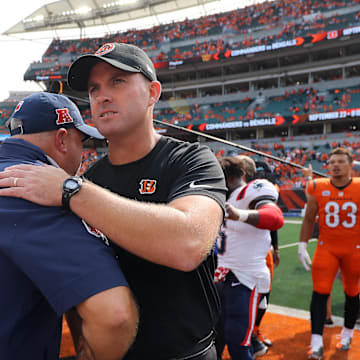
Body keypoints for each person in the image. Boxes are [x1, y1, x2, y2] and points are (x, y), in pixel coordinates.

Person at [0, 43, 227, 360]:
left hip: (184, 354)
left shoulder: (192, 159)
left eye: (117, 81)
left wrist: (72, 191)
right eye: (94, 88)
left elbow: (188, 243)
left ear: (152, 92)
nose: (101, 96)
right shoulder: (88, 178)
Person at [0, 92, 138, 360]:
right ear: (62, 139)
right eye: (81, 141)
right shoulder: (36, 192)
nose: (83, 152)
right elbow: (114, 316)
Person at [214, 155, 284, 360]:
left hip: (245, 275)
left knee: (238, 339)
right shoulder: (219, 195)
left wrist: (240, 215)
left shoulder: (253, 190)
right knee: (215, 336)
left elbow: (275, 218)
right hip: (221, 274)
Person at [298, 147, 360, 359]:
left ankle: (348, 332)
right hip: (328, 248)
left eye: (341, 161)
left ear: (350, 165)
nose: (335, 165)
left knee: (352, 292)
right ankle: (315, 342)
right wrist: (302, 244)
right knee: (319, 292)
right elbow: (308, 219)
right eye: (332, 161)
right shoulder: (316, 186)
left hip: (354, 249)